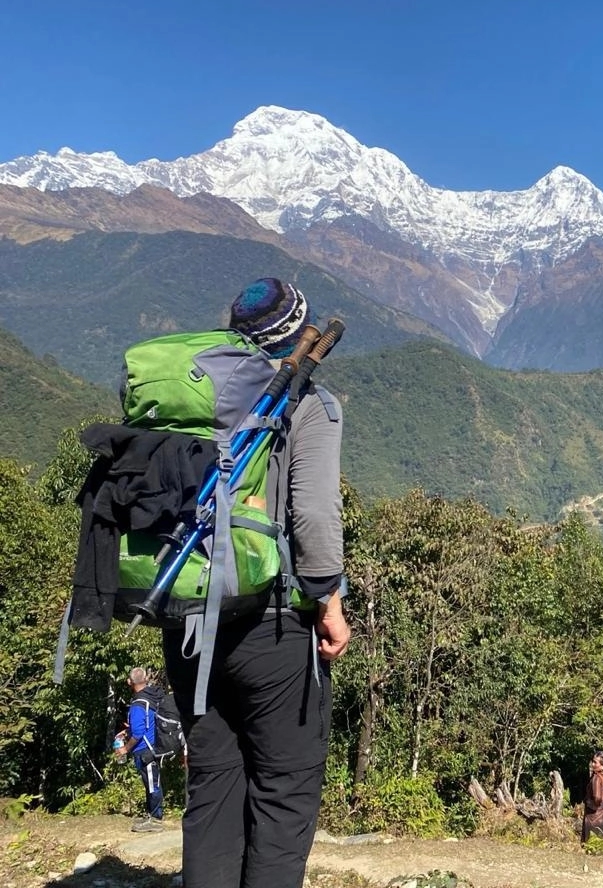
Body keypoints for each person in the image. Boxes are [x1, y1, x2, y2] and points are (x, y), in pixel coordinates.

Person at [161, 278, 350, 888]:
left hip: (189, 621)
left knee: (213, 788)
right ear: (304, 331)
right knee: (284, 794)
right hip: (271, 628)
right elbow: (314, 517)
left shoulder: (194, 398)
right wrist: (329, 603)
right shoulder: (307, 406)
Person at [115, 667, 165, 833]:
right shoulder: (152, 698)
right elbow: (146, 724)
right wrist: (128, 731)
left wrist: (125, 749)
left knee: (152, 785)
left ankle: (156, 819)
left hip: (146, 751)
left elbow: (138, 734)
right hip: (154, 746)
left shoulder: (138, 704)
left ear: (130, 682)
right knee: (151, 783)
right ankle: (151, 814)